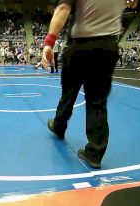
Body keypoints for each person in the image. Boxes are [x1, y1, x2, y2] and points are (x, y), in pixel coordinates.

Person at [42, 0, 124, 169]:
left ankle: (59, 126)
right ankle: (95, 153)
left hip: (81, 46)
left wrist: (49, 43)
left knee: (69, 92)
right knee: (98, 102)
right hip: (108, 46)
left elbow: (63, 8)